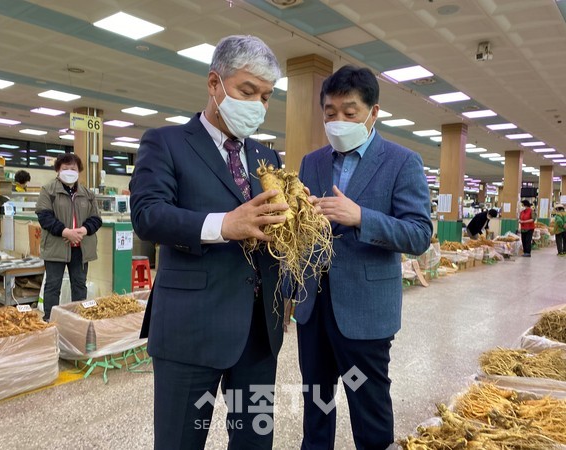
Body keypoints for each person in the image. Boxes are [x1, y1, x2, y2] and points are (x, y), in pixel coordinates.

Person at [129, 35, 288, 450]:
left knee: (254, 443)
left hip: (258, 332)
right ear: (214, 84)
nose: (257, 105)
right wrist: (224, 224)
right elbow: (148, 215)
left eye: (266, 96)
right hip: (191, 328)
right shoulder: (165, 143)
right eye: (247, 91)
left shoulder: (266, 157)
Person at [291, 65, 433, 450]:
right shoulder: (313, 162)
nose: (338, 121)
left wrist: (361, 218)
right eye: (330, 113)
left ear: (373, 112)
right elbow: (303, 230)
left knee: (369, 408)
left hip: (365, 311)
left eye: (349, 112)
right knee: (316, 404)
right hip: (314, 307)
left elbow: (420, 234)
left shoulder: (402, 162)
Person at [35, 154, 102, 321]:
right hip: (56, 246)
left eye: (73, 168)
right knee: (52, 286)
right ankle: (50, 319)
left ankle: (77, 320)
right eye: (65, 168)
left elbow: (96, 218)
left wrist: (84, 231)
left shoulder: (87, 193)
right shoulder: (48, 190)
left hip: (81, 247)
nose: (69, 171)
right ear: (58, 170)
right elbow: (44, 217)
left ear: (79, 171)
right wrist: (66, 232)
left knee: (79, 285)